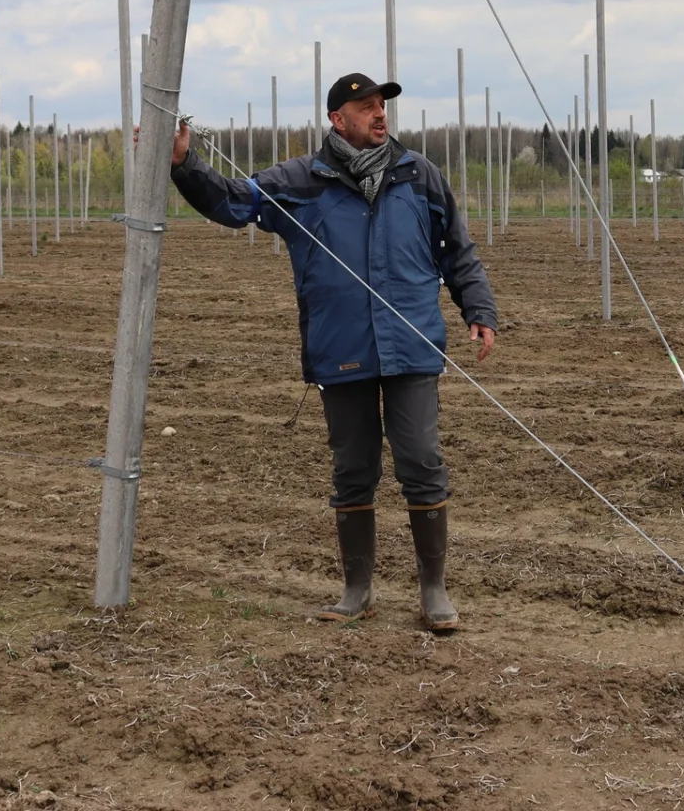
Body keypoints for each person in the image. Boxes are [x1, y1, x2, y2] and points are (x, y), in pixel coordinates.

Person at [168, 72, 498, 631]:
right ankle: (357, 590)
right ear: (337, 119)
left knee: (421, 460)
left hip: (411, 345)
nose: (379, 115)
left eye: (382, 107)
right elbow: (232, 204)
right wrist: (184, 164)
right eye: (366, 107)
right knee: (353, 469)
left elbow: (456, 250)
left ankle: (434, 590)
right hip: (341, 349)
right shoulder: (302, 180)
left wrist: (479, 310)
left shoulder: (420, 176)